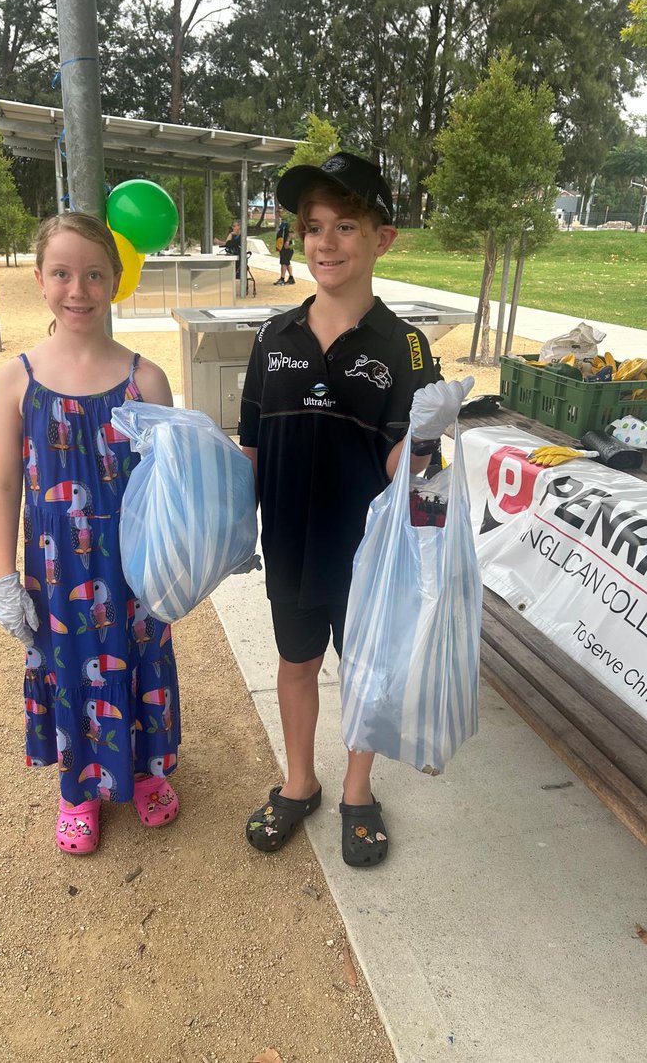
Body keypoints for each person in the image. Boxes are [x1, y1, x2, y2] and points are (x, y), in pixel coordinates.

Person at [238, 152, 472, 868]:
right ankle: (301, 780)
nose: (326, 242)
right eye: (312, 227)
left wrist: (431, 464)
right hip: (290, 545)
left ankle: (360, 791)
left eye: (345, 225)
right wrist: (223, 528)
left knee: (364, 670)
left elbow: (418, 468)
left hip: (367, 557)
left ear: (383, 237)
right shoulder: (273, 338)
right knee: (296, 662)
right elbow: (249, 445)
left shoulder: (405, 347)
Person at [0, 211, 181, 856]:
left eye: (95, 275)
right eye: (63, 273)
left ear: (117, 281)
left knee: (142, 659)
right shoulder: (17, 380)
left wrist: (196, 548)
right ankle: (78, 790)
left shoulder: (145, 379)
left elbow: (175, 486)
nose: (79, 289)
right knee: (70, 671)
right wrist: (1, 577)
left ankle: (149, 772)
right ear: (40, 279)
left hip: (133, 567)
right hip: (54, 572)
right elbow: (4, 484)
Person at [274, 212, 295, 286]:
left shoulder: (288, 222)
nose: (280, 213)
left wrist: (287, 241)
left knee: (284, 262)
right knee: (287, 262)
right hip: (282, 245)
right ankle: (291, 278)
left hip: (287, 245)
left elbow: (291, 233)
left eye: (281, 211)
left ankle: (282, 279)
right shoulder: (283, 222)